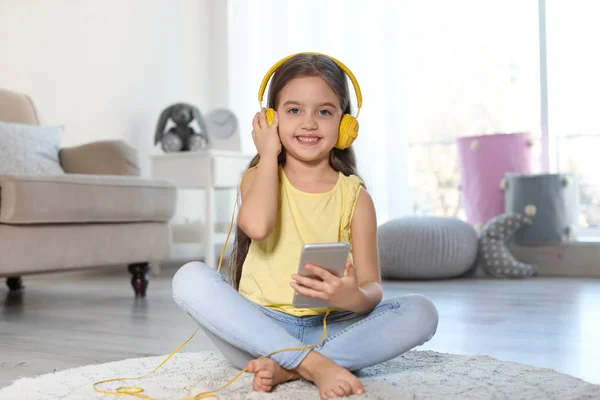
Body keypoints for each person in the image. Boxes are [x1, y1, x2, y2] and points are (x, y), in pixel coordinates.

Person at [172, 52, 439, 399]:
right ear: (271, 119)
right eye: (294, 110)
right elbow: (257, 226)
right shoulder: (259, 176)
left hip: (330, 331)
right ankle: (316, 367)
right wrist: (268, 154)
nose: (309, 123)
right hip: (257, 335)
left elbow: (373, 288)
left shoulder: (355, 198)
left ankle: (292, 366)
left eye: (324, 111)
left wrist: (353, 296)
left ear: (344, 126)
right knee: (189, 277)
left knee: (422, 311)